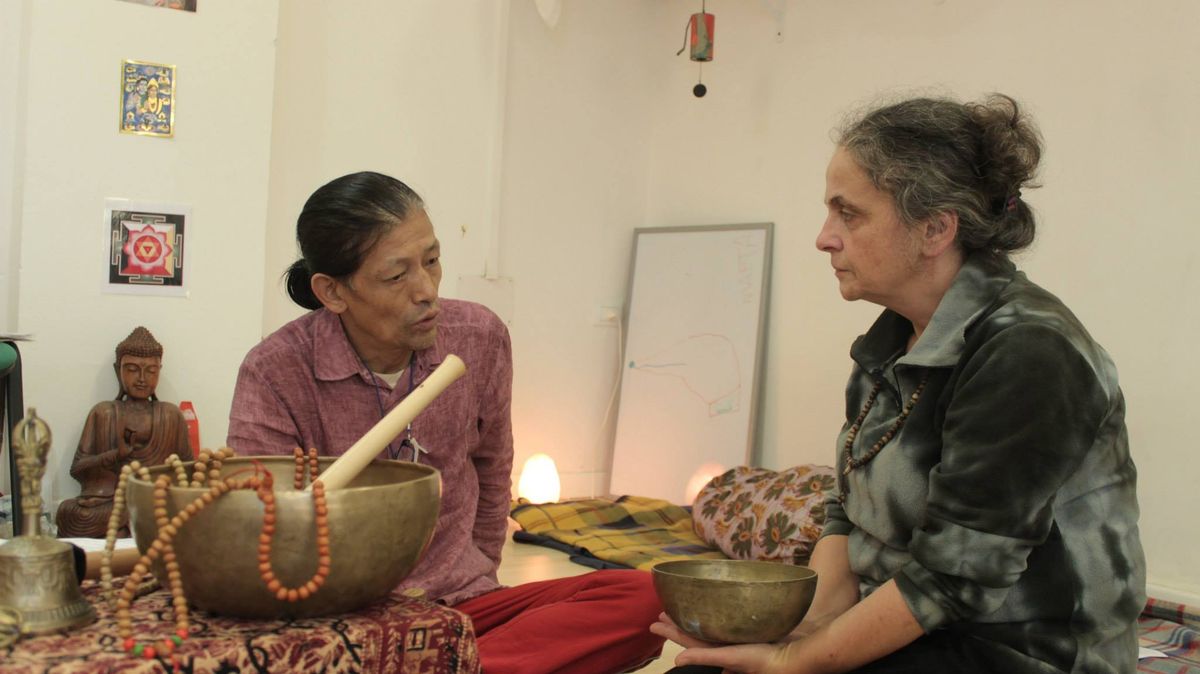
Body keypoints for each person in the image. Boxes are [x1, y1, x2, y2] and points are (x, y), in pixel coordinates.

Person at [652, 94, 1146, 673]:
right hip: (921, 634)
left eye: (849, 214)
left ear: (935, 228)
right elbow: (847, 512)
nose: (824, 237)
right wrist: (805, 628)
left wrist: (794, 661)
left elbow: (953, 578)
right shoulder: (890, 341)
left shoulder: (1029, 352)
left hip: (1019, 655)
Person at [227, 171, 665, 674]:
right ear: (332, 292)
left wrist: (477, 565)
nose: (427, 291)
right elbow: (258, 528)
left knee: (646, 598)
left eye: (432, 261)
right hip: (341, 625)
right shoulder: (275, 370)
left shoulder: (478, 335)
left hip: (463, 609)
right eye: (397, 276)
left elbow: (493, 466)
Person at [56, 326, 192, 538]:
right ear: (117, 370)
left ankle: (125, 530)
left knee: (182, 512)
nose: (141, 378)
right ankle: (128, 529)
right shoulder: (103, 412)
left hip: (154, 502)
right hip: (109, 502)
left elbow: (187, 472)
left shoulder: (171, 415)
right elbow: (77, 469)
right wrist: (113, 456)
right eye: (132, 369)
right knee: (69, 512)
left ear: (159, 371)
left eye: (151, 371)